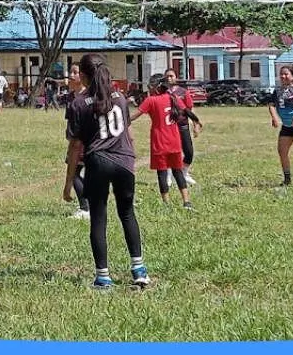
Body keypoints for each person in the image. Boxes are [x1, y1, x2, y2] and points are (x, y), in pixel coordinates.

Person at [63, 53, 148, 290]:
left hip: (98, 162)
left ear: (83, 75)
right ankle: (139, 270)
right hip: (124, 162)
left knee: (99, 219)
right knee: (128, 213)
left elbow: (75, 146)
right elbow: (128, 134)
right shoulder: (120, 97)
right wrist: (131, 159)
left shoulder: (79, 103)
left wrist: (69, 183)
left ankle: (103, 277)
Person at [130, 74, 193, 210]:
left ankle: (166, 204)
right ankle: (187, 202)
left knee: (162, 173)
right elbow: (186, 110)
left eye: (151, 85)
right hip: (174, 141)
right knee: (177, 171)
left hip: (160, 142)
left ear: (157, 87)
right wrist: (197, 121)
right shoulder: (173, 97)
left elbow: (134, 116)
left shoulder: (151, 100)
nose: (149, 88)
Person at [164, 69, 201, 185]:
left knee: (189, 152)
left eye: (171, 76)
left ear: (176, 77)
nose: (169, 78)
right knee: (172, 152)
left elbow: (189, 109)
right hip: (170, 126)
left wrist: (195, 125)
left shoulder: (183, 92)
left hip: (183, 125)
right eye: (167, 76)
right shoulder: (163, 93)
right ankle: (169, 176)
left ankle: (184, 173)